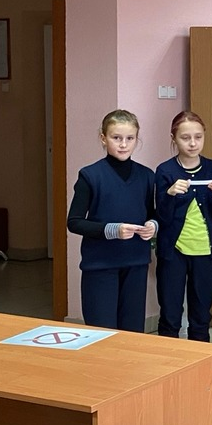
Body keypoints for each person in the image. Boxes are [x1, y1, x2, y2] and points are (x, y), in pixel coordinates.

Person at [67, 109, 157, 332]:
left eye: (130, 138)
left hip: (135, 263)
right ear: (103, 138)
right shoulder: (90, 175)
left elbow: (152, 214)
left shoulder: (147, 176)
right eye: (116, 138)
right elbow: (74, 221)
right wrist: (112, 230)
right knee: (102, 331)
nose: (123, 144)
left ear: (137, 139)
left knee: (132, 332)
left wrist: (152, 226)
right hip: (101, 265)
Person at [155, 110, 212, 342]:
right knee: (170, 314)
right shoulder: (165, 170)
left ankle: (199, 360)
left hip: (204, 250)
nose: (193, 143)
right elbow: (162, 217)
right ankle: (169, 360)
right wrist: (170, 194)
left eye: (198, 137)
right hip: (173, 251)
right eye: (185, 138)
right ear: (174, 138)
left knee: (201, 315)